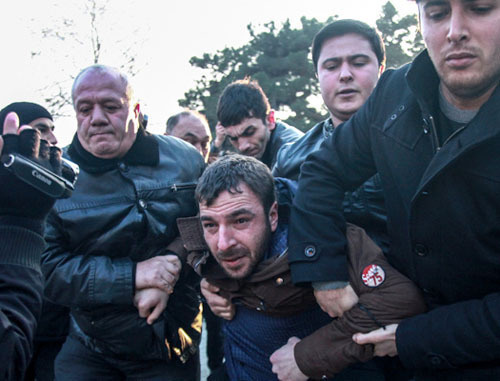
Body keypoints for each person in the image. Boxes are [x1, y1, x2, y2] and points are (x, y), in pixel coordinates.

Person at [288, 0, 500, 379]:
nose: (455, 30)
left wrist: (413, 337)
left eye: (480, 8)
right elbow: (322, 170)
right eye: (436, 14)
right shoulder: (392, 96)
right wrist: (325, 272)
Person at [178, 155, 424, 380]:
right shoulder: (202, 242)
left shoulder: (322, 239)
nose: (223, 244)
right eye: (210, 225)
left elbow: (401, 302)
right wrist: (206, 285)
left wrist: (307, 356)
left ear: (273, 215)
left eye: (241, 221)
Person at [41, 64, 205, 380]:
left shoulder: (186, 160)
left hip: (173, 343)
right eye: (84, 109)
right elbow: (47, 269)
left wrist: (169, 269)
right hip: (92, 348)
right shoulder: (53, 177)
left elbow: (207, 225)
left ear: (136, 109)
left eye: (111, 106)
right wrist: (132, 276)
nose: (97, 118)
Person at [272, 19, 390, 256]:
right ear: (317, 75)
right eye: (331, 66)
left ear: (381, 70)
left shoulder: (421, 138)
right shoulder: (291, 158)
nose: (345, 75)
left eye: (358, 63)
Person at [0, 102, 68, 381]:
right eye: (39, 131)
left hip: (51, 329)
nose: (50, 139)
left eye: (52, 130)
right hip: (23, 324)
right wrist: (20, 224)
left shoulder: (64, 186)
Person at [165, 109, 225, 375]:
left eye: (205, 142)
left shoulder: (213, 182)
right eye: (190, 141)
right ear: (166, 138)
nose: (199, 150)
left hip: (193, 308)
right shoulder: (142, 183)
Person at [212, 79, 303, 168]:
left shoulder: (295, 154)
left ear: (270, 120)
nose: (242, 147)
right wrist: (217, 144)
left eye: (250, 132)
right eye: (234, 138)